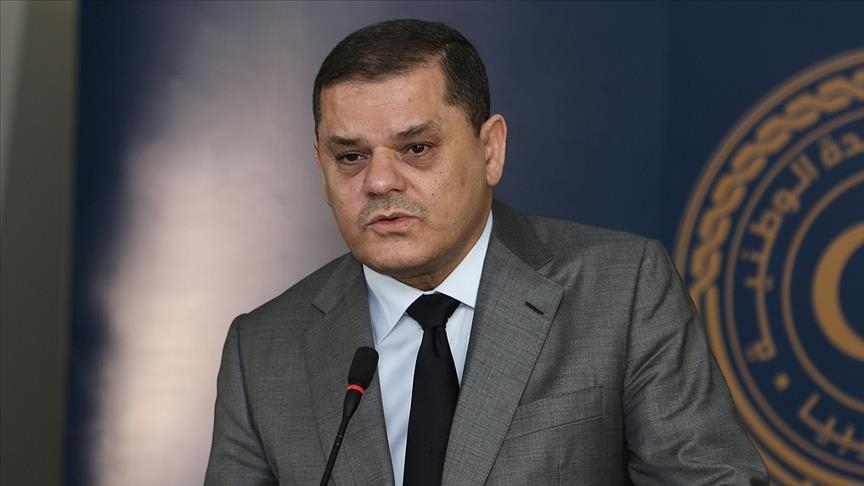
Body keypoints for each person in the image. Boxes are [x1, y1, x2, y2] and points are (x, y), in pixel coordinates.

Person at [204, 19, 767, 486]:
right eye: (350, 157)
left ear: (491, 149)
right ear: (321, 167)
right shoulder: (262, 350)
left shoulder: (621, 290)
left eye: (416, 148)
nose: (379, 182)